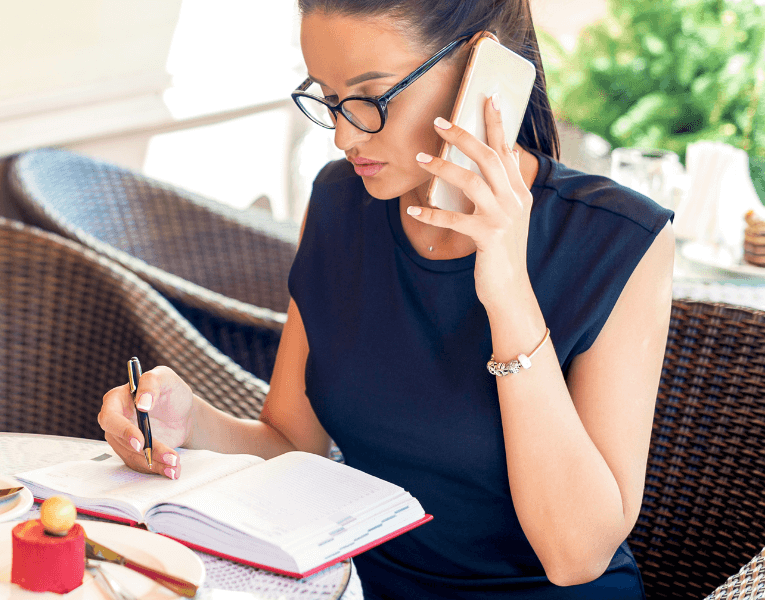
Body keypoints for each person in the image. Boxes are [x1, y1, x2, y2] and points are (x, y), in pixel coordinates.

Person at [99, 1, 675, 598]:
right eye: (326, 96)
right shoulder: (339, 203)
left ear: (481, 70)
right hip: (355, 587)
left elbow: (574, 556)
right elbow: (294, 444)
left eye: (371, 97)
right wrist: (192, 421)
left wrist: (508, 294)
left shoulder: (620, 240)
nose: (345, 135)